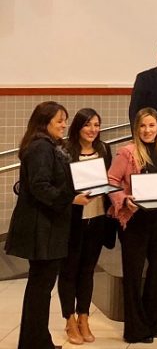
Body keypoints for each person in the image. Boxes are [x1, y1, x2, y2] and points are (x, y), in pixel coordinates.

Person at [6, 102, 90, 349]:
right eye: (60, 121)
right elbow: (41, 186)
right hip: (41, 228)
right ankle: (34, 342)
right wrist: (71, 199)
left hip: (48, 226)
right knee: (39, 289)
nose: (65, 125)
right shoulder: (41, 147)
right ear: (45, 123)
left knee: (40, 289)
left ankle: (37, 340)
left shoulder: (48, 145)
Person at [107, 107, 157, 343]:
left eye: (152, 125)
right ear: (136, 128)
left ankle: (154, 322)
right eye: (143, 126)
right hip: (134, 221)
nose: (148, 130)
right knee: (134, 276)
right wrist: (124, 200)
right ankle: (135, 328)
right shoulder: (126, 152)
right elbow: (112, 180)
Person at [60, 108, 117, 345]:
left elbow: (110, 179)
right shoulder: (65, 151)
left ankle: (84, 317)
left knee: (88, 270)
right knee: (69, 271)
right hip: (73, 219)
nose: (93, 129)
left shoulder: (103, 149)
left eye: (97, 125)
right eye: (87, 125)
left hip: (98, 218)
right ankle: (69, 319)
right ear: (78, 127)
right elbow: (61, 187)